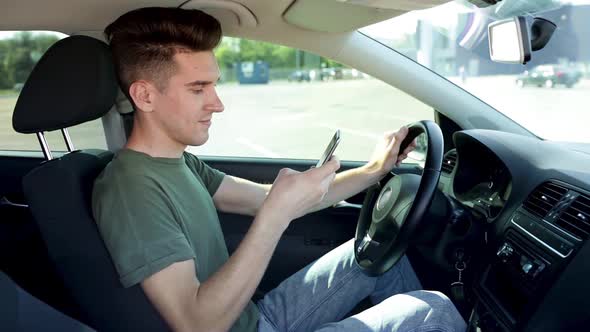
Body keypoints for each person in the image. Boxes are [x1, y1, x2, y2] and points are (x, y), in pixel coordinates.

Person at [92, 7, 466, 332]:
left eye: (214, 86)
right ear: (144, 95)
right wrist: (275, 217)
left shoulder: (179, 162)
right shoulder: (130, 189)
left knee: (370, 255)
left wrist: (373, 170)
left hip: (252, 316)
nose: (217, 104)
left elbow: (268, 199)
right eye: (197, 89)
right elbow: (198, 324)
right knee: (432, 312)